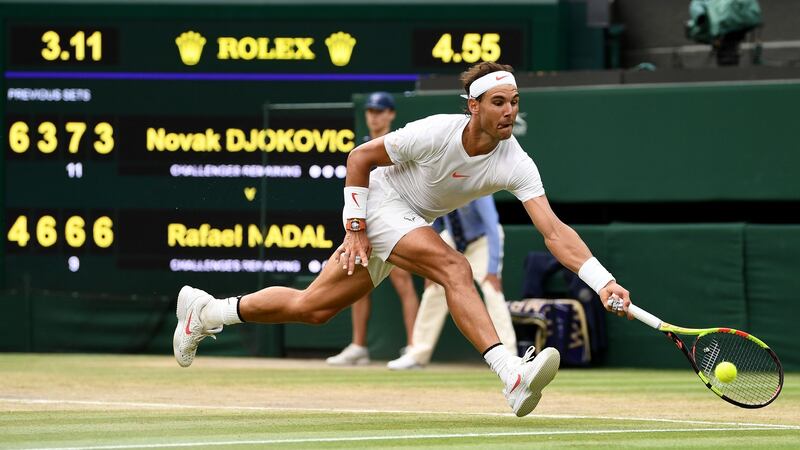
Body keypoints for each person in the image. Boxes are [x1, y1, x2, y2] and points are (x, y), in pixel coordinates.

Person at [173, 62, 632, 418]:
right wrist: (354, 226)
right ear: (473, 106)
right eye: (497, 102)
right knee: (455, 267)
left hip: (412, 219)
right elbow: (358, 158)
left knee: (312, 308)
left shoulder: (516, 162)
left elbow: (553, 231)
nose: (509, 110)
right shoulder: (434, 132)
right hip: (379, 204)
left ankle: (207, 312)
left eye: (513, 101)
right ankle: (510, 374)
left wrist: (602, 280)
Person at [326, 92, 420, 365]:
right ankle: (358, 346)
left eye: (380, 111)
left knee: (403, 283)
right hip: (362, 224)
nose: (374, 116)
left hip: (396, 223)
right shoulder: (363, 147)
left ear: (390, 114)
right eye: (370, 111)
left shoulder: (400, 144)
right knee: (356, 282)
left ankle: (414, 346)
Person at [387, 195, 516, 370]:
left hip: (483, 241)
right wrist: (429, 267)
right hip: (452, 240)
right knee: (433, 292)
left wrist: (492, 271)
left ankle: (510, 356)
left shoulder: (478, 189)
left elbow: (492, 225)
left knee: (492, 292)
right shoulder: (440, 187)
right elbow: (433, 226)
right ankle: (417, 354)